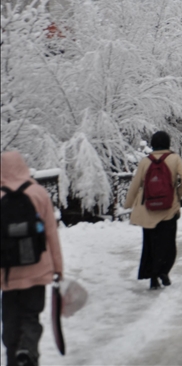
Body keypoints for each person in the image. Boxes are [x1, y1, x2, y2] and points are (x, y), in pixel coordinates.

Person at [1, 151, 64, 366]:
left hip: (7, 273)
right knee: (30, 316)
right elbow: (51, 234)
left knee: (10, 321)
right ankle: (27, 351)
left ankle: (13, 356)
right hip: (37, 269)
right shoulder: (38, 193)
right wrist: (58, 267)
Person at [123, 131, 182, 290]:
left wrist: (128, 204)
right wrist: (177, 195)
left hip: (148, 209)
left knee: (150, 244)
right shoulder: (174, 159)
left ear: (152, 144)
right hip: (169, 209)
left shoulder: (145, 162)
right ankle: (164, 271)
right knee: (168, 244)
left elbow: (135, 185)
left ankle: (153, 277)